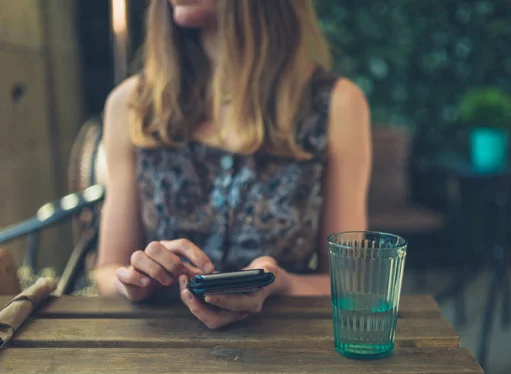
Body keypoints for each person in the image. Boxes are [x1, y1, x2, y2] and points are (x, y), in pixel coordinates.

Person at [93, 0, 372, 329]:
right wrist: (134, 281)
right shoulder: (131, 104)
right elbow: (106, 270)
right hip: (160, 353)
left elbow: (352, 283)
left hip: (286, 350)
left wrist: (285, 285)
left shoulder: (336, 104)